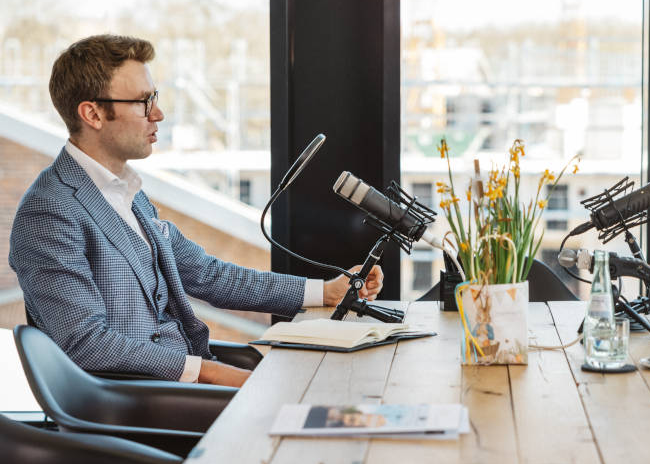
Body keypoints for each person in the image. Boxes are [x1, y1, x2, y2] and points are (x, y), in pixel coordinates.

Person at [9, 34, 383, 388]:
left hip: (178, 379)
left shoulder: (127, 193)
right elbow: (89, 343)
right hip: (136, 402)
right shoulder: (50, 213)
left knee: (338, 380)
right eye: (143, 101)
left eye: (154, 97)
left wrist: (326, 291)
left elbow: (209, 275)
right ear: (92, 113)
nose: (158, 114)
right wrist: (217, 376)